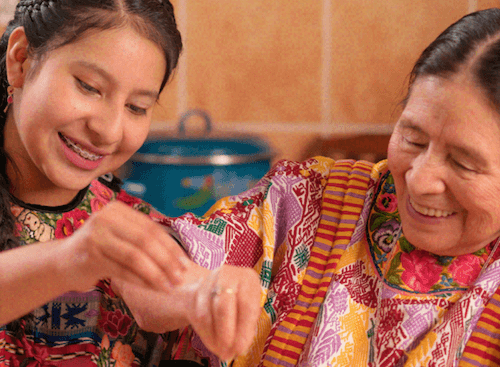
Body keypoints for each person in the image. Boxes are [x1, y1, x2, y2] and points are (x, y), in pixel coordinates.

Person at [123, 7, 500, 367]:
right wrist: (195, 292)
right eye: (413, 139)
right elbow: (142, 272)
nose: (419, 179)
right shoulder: (310, 200)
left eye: (463, 163)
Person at [0, 1, 261, 366]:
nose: (107, 130)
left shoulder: (123, 217)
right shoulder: (90, 243)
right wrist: (69, 260)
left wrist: (206, 292)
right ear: (22, 59)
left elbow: (155, 297)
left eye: (137, 107)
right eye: (89, 87)